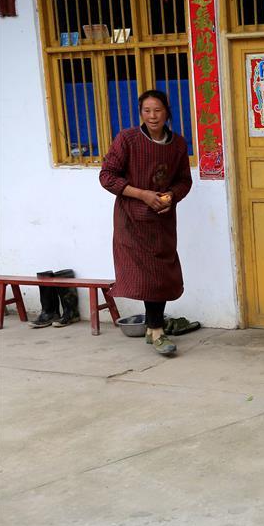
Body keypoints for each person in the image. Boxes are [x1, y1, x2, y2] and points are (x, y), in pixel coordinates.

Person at [99, 89, 192, 355]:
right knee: (149, 275)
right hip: (132, 220)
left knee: (162, 273)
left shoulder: (177, 144)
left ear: (167, 112)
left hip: (162, 219)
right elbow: (107, 176)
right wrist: (142, 194)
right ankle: (158, 330)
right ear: (141, 113)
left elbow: (184, 180)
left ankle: (152, 330)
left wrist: (170, 197)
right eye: (147, 111)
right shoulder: (127, 139)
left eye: (157, 110)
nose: (152, 116)